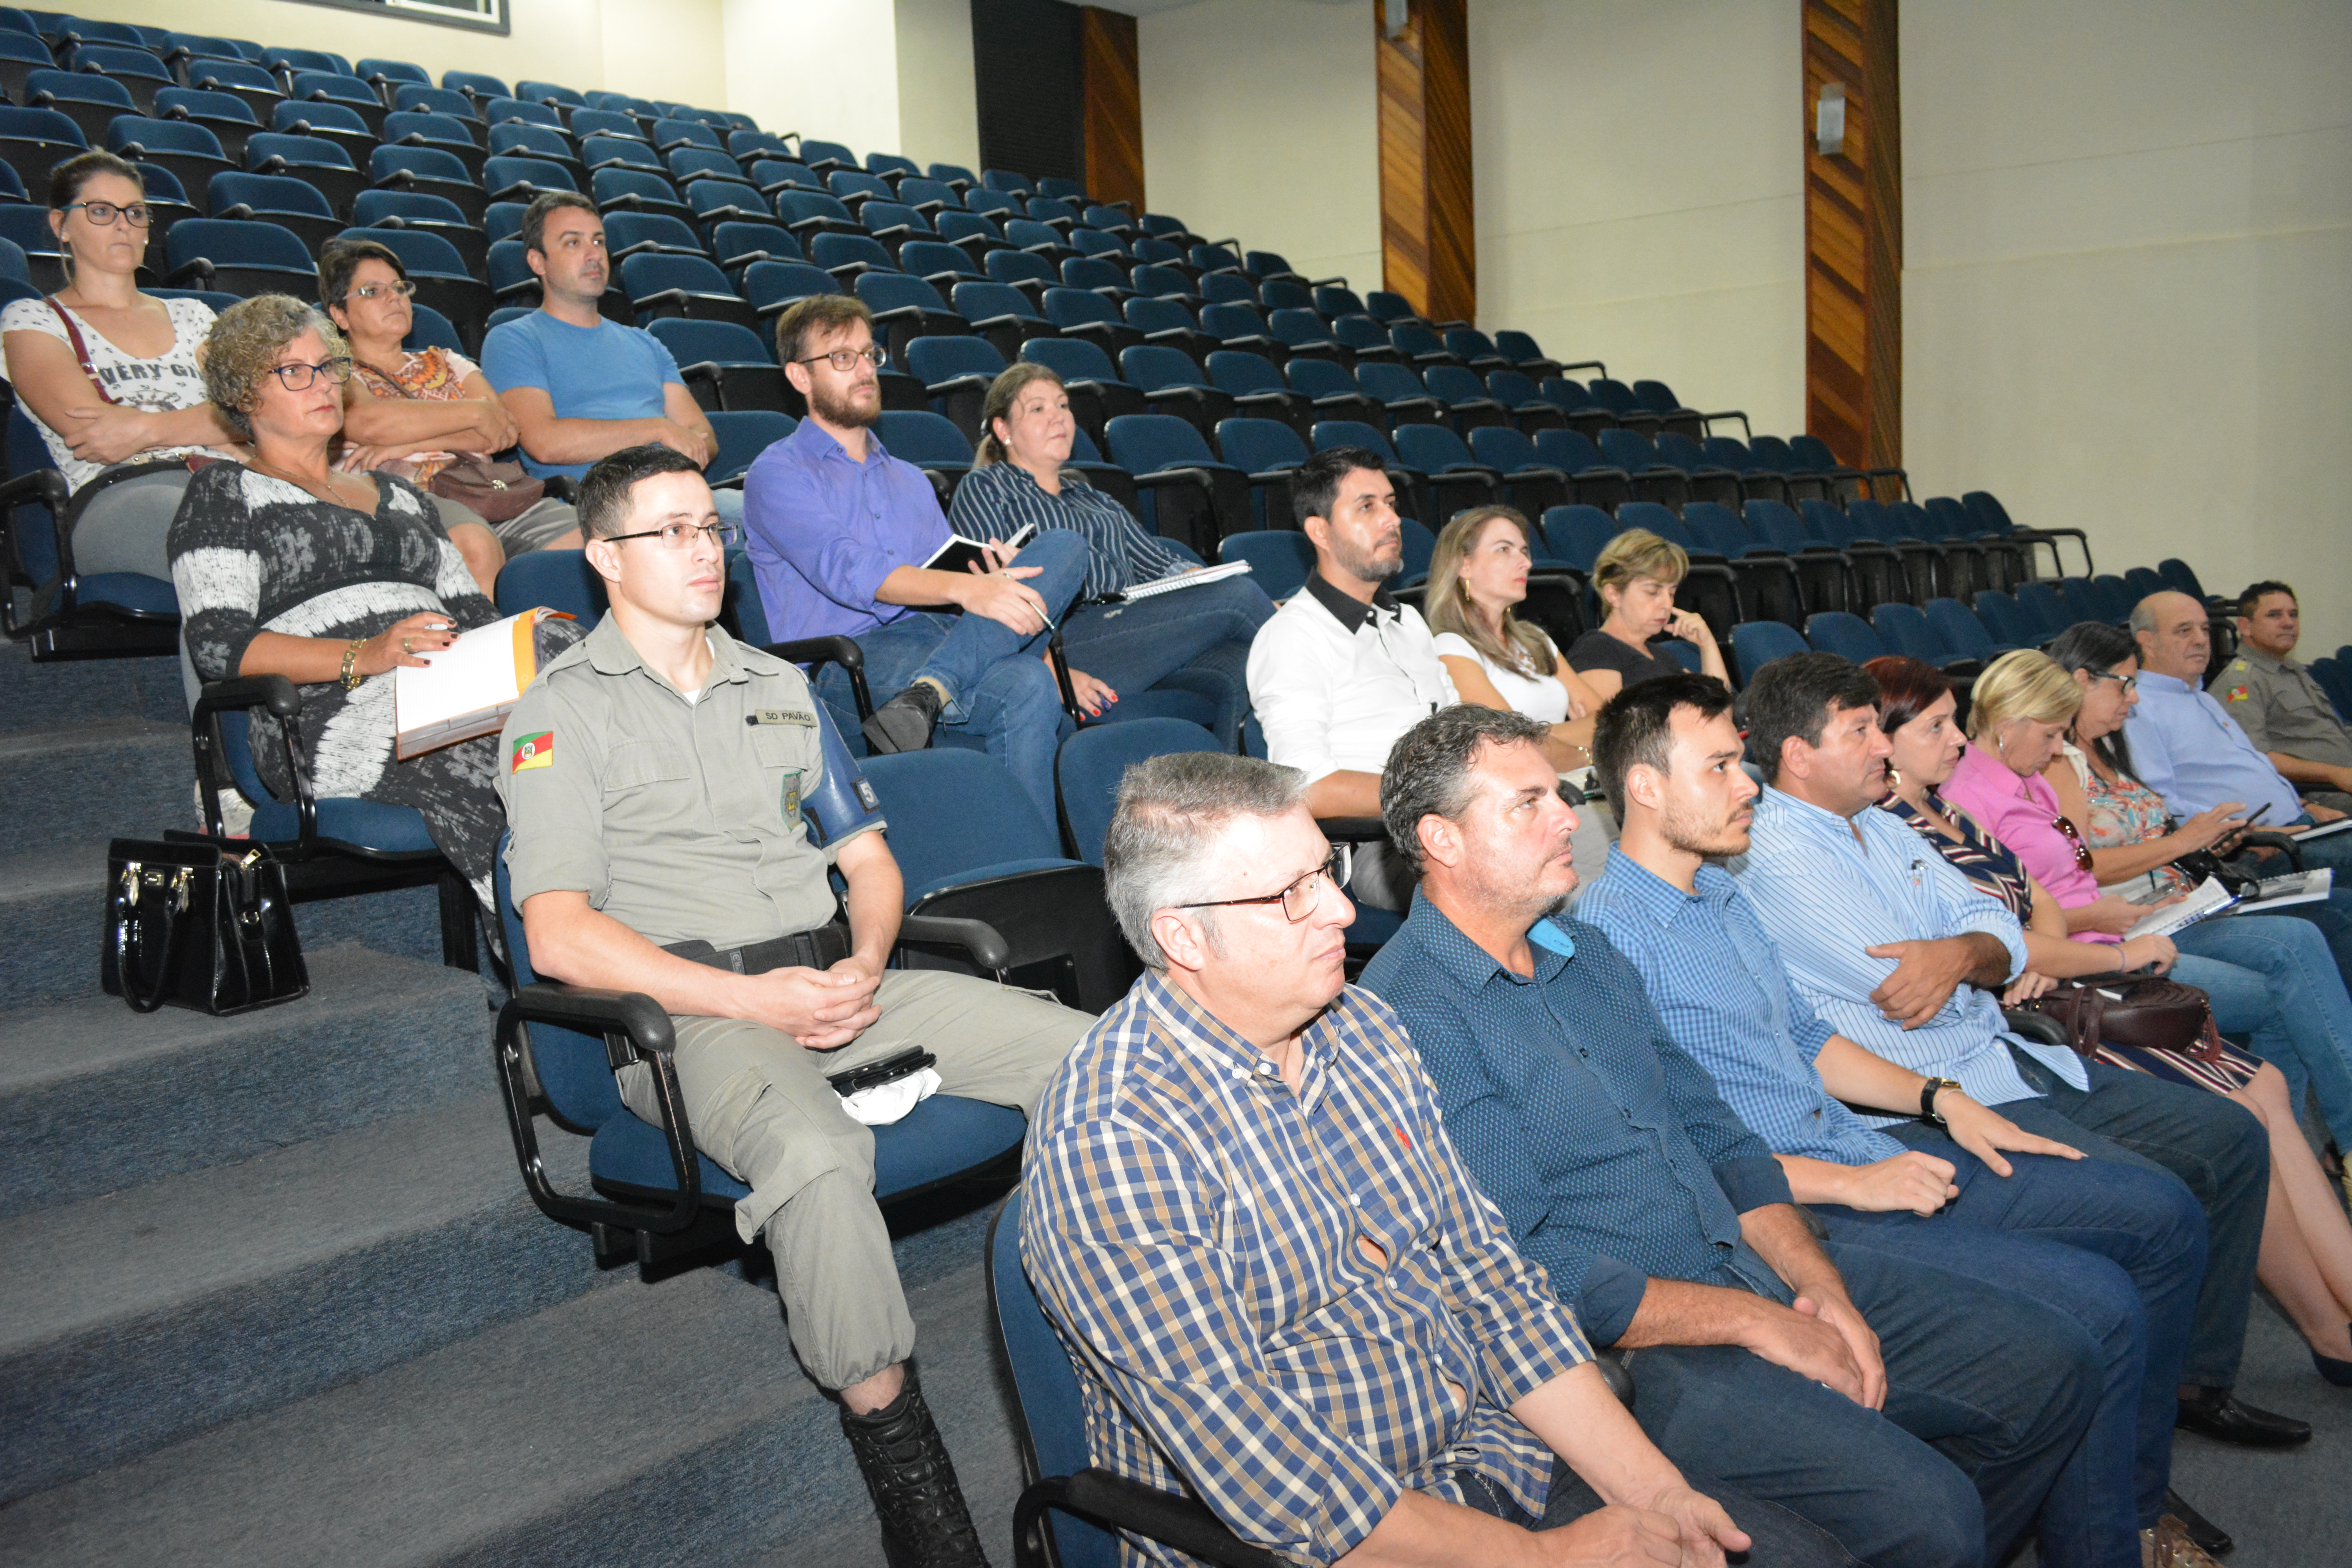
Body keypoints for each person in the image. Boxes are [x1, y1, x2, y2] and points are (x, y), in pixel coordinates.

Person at [1021, 748, 1850, 1568]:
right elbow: (1286, 1486)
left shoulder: (1366, 1030)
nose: (1341, 912)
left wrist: (1657, 1494)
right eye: (1290, 893)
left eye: (1328, 870)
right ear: (1182, 937)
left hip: (1491, 1456)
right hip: (1328, 1542)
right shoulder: (1116, 1140)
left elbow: (1496, 1287)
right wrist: (1550, 1556)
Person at [498, 443, 1090, 1568]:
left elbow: (869, 864)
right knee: (818, 1162)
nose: (701, 550)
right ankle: (910, 1482)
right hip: (687, 1018)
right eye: (666, 531)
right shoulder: (561, 716)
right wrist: (750, 997)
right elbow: (561, 934)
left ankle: (1122, 1325)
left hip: (834, 981)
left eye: (706, 527)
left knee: (1102, 1056)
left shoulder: (780, 686)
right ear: (602, 559)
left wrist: (867, 959)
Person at [1363, 705, 2106, 1568]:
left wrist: (1814, 1283)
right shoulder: (1410, 1014)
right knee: (1927, 1513)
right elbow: (1529, 1267)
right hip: (1639, 1345)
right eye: (1527, 803)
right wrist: (1759, 1322)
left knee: (2057, 1361)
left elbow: (1718, 1134)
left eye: (1559, 794)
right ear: (1441, 840)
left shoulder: (1587, 950)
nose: (1570, 815)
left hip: (1745, 1261)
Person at [1577, 673, 2217, 1564]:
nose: (1748, 782)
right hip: (1795, 1205)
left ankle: (2101, 1530)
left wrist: (1939, 1100)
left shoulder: (1719, 893)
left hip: (1855, 1149)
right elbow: (1677, 1151)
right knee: (2097, 1305)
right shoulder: (1608, 942)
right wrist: (1855, 1177)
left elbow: (1808, 1040)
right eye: (1721, 764)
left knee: (2114, 1274)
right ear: (1645, 787)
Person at [1733, 652, 2302, 1451]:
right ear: (1798, 754)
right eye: (1862, 731)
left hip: (2007, 1046)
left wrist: (1962, 953)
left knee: (2233, 1136)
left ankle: (2192, 1381)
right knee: (2160, 1204)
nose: (1882, 747)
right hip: (1940, 1090)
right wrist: (1975, 951)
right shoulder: (1781, 852)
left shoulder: (1885, 822)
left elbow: (2000, 927)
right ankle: (2143, 1460)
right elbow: (1898, 980)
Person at [1902, 648, 2352, 1389]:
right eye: (2050, 734)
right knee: (2248, 1095)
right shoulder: (1965, 796)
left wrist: (2082, 920)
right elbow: (2017, 926)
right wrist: (2096, 929)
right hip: (2070, 990)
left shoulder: (2004, 786)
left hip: (2099, 951)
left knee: (2267, 1082)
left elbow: (2044, 889)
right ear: (2010, 725)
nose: (2060, 748)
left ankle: (2341, 1307)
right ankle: (2330, 1328)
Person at [168, 294, 579, 911]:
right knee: (507, 751)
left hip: (438, 681)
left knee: (575, 667)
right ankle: (556, 930)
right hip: (319, 713)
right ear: (244, 395)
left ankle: (630, 909)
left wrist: (507, 654)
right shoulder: (224, 493)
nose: (323, 385)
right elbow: (221, 647)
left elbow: (472, 616)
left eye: (328, 367)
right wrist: (367, 654)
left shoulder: (400, 493)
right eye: (293, 371)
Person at [740, 295, 1087, 821]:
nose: (863, 371)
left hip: (937, 640)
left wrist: (984, 574)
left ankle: (931, 692)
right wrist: (967, 590)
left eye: (868, 355)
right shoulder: (778, 473)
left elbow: (941, 576)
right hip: (846, 660)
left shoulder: (907, 477)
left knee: (1066, 547)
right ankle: (1034, 859)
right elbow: (851, 572)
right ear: (799, 377)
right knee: (1029, 683)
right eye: (841, 358)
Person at [945, 361, 1273, 744]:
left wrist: (1201, 583)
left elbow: (1159, 563)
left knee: (1244, 669)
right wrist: (1050, 669)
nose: (1059, 418)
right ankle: (1345, 674)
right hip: (1067, 640)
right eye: (1039, 409)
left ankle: (1241, 801)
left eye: (1063, 406)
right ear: (1004, 430)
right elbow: (985, 597)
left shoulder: (1093, 496)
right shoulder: (985, 487)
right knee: (1241, 597)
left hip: (1131, 630)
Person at [2, 151, 241, 583]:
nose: (123, 224)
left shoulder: (194, 314)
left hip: (225, 478)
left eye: (135, 212)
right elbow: (95, 435)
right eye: (100, 211)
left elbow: (255, 409)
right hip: (117, 494)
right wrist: (214, 423)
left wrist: (142, 428)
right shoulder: (32, 319)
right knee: (218, 530)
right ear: (61, 225)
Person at [1244, 446, 1456, 911]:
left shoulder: (1409, 623)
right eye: (1367, 507)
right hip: (1378, 849)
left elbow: (1458, 728)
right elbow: (1309, 788)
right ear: (1320, 530)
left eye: (1391, 503)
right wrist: (1446, 793)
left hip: (1454, 822)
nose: (1392, 520)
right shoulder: (1292, 637)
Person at [318, 237, 581, 598]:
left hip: (487, 491)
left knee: (584, 540)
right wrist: (474, 413)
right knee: (474, 546)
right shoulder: (336, 374)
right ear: (339, 314)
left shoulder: (448, 362)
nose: (394, 297)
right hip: (404, 501)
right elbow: (370, 423)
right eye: (372, 291)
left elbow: (502, 430)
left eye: (399, 288)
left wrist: (412, 441)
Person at [476, 193, 737, 520]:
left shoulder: (645, 343)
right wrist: (656, 430)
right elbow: (544, 442)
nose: (593, 254)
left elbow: (701, 433)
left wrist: (674, 452)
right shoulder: (513, 340)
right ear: (538, 262)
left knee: (779, 515)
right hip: (598, 507)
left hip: (678, 497)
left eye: (598, 241)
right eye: (573, 243)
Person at [2126, 590, 2352, 853]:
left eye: (2205, 630)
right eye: (2185, 631)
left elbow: (2253, 767)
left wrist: (2307, 806)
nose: (2201, 641)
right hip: (2251, 846)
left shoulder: (2200, 698)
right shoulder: (2136, 707)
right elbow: (2160, 806)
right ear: (2148, 642)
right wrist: (2242, 830)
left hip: (2297, 823)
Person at [1425, 503, 1606, 771]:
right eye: (1504, 549)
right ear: (1464, 565)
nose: (1527, 563)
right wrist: (1585, 751)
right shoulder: (1451, 647)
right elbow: (1508, 744)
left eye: (1523, 550)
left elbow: (1605, 721)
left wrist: (1537, 738)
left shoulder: (1536, 640)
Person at [2210, 579, 2352, 813]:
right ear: (2245, 626)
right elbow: (2255, 758)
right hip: (2318, 795)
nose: (2288, 623)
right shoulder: (2241, 681)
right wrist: (2334, 773)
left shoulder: (2293, 671)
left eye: (2293, 615)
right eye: (2274, 615)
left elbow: (2332, 732)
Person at [1563, 528, 1729, 701]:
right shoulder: (1595, 651)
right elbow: (1603, 725)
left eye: (1672, 593)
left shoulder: (1662, 655)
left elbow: (1721, 713)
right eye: (1653, 592)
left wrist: (1707, 646)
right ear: (1614, 594)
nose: (1667, 604)